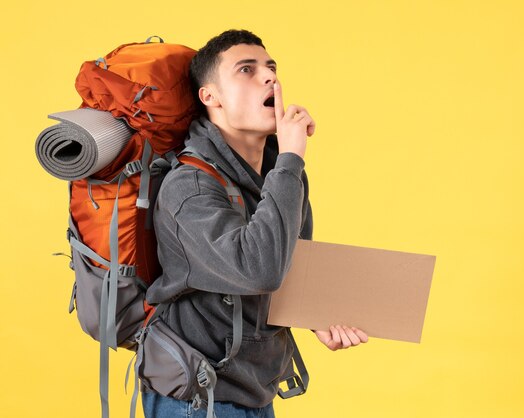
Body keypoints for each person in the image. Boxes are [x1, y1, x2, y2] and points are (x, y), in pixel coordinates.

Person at [142, 29, 368, 418]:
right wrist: (293, 158)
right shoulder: (189, 186)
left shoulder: (279, 170)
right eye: (246, 70)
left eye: (271, 68)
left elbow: (290, 260)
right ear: (210, 97)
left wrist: (315, 317)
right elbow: (259, 270)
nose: (270, 78)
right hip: (196, 398)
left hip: (256, 391)